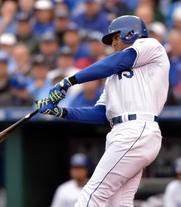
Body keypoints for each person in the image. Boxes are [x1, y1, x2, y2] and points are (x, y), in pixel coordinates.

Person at [36, 15, 169, 206]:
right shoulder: (112, 79)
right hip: (125, 133)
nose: (113, 43)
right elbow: (100, 114)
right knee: (118, 203)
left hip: (136, 129)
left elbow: (115, 62)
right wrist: (61, 112)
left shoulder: (150, 46)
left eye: (116, 36)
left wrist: (69, 81)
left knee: (90, 195)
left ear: (131, 33)